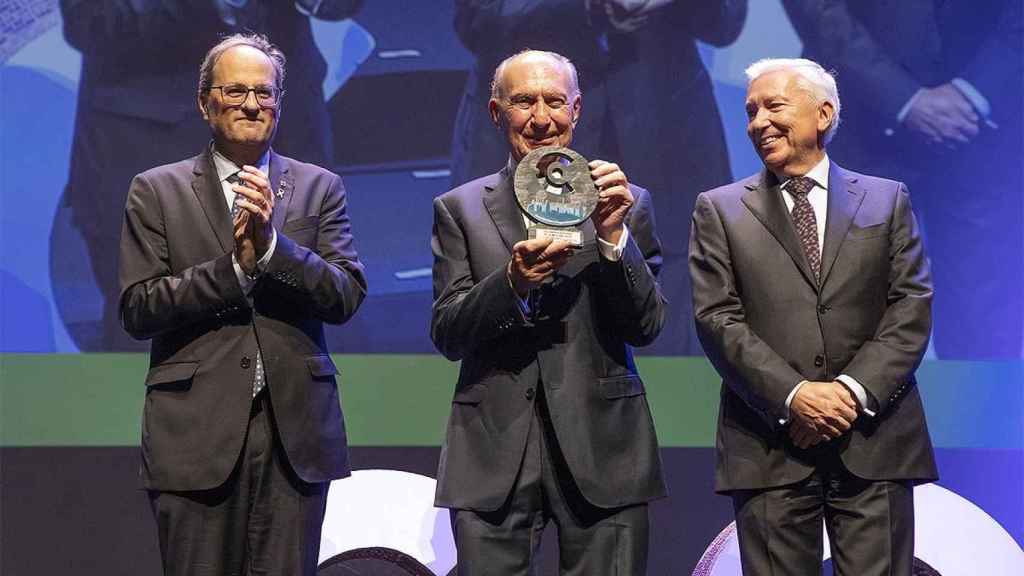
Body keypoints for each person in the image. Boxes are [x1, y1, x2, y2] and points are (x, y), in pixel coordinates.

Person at [118, 34, 366, 576]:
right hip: (195, 435)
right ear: (205, 103)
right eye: (235, 92)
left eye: (265, 92)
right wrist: (234, 270)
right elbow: (138, 307)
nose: (252, 104)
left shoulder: (319, 187)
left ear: (280, 102)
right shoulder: (156, 190)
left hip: (293, 436)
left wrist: (275, 250)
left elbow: (346, 294)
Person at [689, 58, 937, 575]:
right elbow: (717, 318)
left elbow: (909, 308)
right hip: (770, 445)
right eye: (751, 110)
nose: (759, 122)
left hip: (875, 440)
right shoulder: (719, 209)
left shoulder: (887, 200)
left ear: (823, 114)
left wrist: (848, 392)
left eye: (773, 106)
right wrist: (796, 396)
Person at [431, 50, 667, 574]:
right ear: (496, 113)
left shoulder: (625, 204)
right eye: (523, 102)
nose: (541, 117)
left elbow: (647, 326)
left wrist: (612, 239)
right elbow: (448, 332)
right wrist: (510, 284)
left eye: (554, 101)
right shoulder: (460, 209)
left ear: (577, 109)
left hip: (605, 447)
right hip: (493, 453)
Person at [60, 0, 363, 351]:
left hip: (287, 142)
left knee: (302, 338)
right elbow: (90, 21)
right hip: (148, 145)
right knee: (161, 348)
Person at [450, 0, 747, 355]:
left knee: (677, 318)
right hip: (533, 133)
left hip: (667, 127)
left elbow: (725, 21)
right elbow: (477, 19)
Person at [781, 0, 1023, 359]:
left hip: (989, 134)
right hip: (859, 126)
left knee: (985, 326)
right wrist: (901, 97)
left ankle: (975, 412)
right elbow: (818, 9)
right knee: (850, 320)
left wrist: (976, 92)